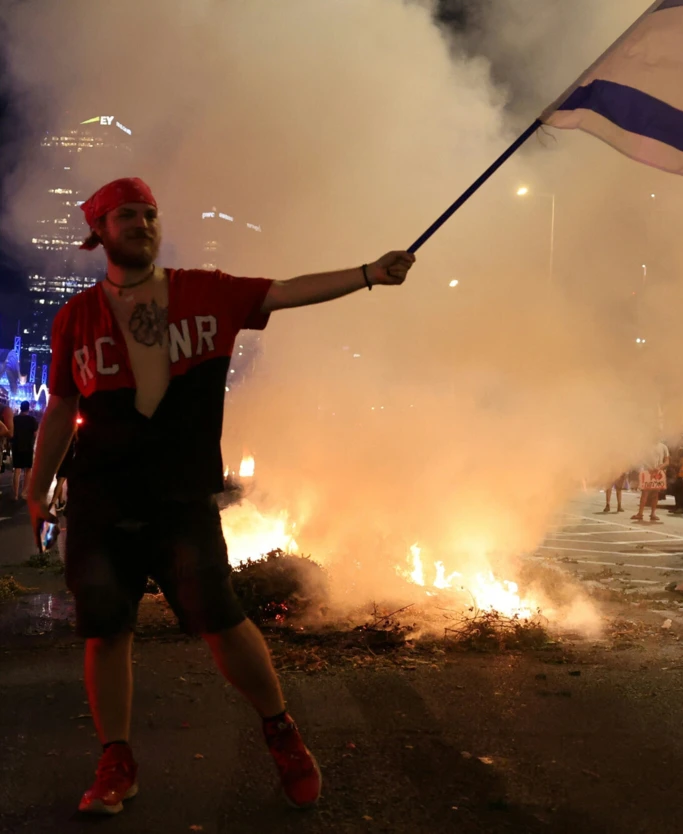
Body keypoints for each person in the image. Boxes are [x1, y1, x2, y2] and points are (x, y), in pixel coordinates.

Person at [25, 177, 416, 815]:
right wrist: (37, 488)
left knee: (223, 622)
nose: (143, 224)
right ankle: (116, 762)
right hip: (100, 498)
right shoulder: (76, 317)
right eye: (127, 215)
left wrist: (369, 273)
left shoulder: (205, 291)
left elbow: (286, 291)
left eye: (150, 214)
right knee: (106, 632)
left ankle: (281, 731)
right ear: (99, 229)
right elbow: (62, 407)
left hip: (182, 497)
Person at [632, 439, 670, 522]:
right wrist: (649, 467)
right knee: (645, 493)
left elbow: (667, 461)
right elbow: (641, 459)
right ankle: (640, 513)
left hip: (658, 473)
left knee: (655, 493)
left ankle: (653, 514)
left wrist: (659, 467)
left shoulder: (663, 447)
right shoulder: (646, 447)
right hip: (648, 472)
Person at [11, 401, 38, 500]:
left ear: (20, 408)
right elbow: (35, 434)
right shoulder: (32, 420)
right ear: (28, 408)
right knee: (28, 470)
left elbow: (11, 432)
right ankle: (23, 493)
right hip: (28, 447)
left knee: (17, 470)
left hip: (17, 446)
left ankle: (15, 495)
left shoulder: (15, 419)